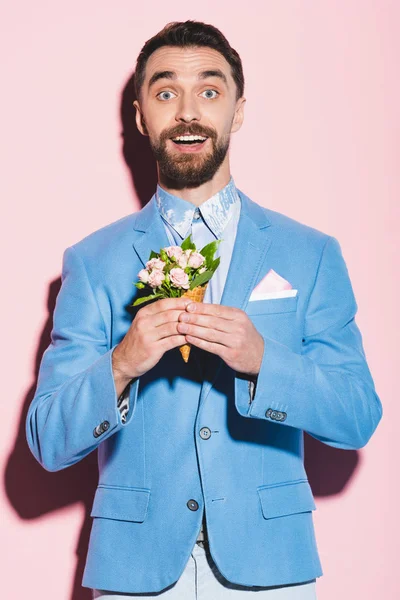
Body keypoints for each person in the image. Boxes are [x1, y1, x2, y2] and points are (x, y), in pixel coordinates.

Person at [26, 20, 383, 599]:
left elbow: (357, 416)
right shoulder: (91, 262)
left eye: (210, 92)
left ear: (238, 110)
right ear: (141, 116)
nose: (188, 112)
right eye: (166, 93)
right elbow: (46, 440)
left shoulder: (310, 254)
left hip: (271, 570)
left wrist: (265, 361)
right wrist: (121, 363)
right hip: (135, 573)